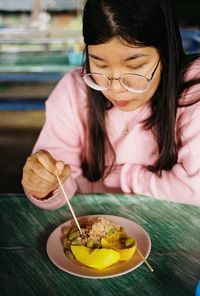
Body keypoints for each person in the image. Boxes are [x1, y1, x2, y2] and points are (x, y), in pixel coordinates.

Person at [22, 0, 200, 209]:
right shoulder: (73, 92)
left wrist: (122, 177)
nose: (115, 89)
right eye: (99, 64)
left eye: (135, 66)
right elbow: (60, 184)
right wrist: (44, 185)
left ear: (166, 52)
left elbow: (195, 190)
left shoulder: (194, 90)